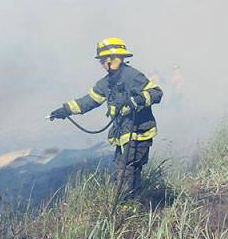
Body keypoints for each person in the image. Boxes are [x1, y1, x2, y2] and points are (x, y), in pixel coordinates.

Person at [48, 37, 163, 198]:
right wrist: (65, 110)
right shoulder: (106, 83)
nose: (101, 64)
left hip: (138, 134)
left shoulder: (133, 76)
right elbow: (89, 101)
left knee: (126, 173)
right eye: (101, 60)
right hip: (122, 137)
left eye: (103, 60)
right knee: (122, 172)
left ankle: (127, 207)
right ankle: (133, 205)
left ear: (114, 59)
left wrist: (136, 100)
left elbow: (156, 93)